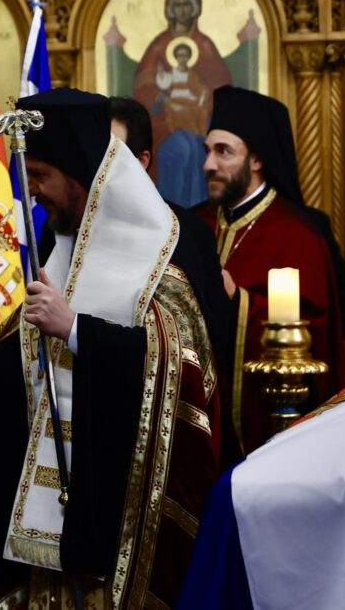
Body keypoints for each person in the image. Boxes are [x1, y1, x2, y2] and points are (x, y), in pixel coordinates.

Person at [0, 88, 221, 607]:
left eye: (41, 177)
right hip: (58, 511)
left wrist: (76, 330)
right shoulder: (57, 239)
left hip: (121, 503)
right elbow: (27, 350)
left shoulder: (157, 247)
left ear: (80, 174)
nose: (33, 192)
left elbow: (182, 363)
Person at [195, 85, 345, 452]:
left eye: (223, 152)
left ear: (256, 159)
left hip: (267, 424)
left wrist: (239, 302)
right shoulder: (197, 223)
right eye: (207, 151)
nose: (208, 165)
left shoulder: (298, 235)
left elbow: (320, 331)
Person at [109, 98, 237, 466]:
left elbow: (210, 338)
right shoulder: (70, 231)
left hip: (172, 421)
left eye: (111, 155)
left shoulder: (187, 231)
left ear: (143, 161)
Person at [133, 0, 233, 208]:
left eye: (187, 5)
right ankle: (170, 210)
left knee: (199, 148)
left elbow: (221, 85)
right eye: (177, 5)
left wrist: (203, 98)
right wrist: (164, 99)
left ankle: (200, 210)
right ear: (170, 9)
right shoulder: (159, 46)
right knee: (179, 148)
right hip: (164, 119)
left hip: (197, 120)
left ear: (195, 9)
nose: (182, 11)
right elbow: (144, 84)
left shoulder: (205, 46)